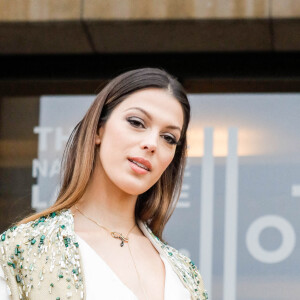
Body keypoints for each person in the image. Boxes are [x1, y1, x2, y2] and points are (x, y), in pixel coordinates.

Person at [0, 67, 208, 300]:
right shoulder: (23, 250)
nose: (152, 143)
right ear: (99, 128)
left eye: (168, 138)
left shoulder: (185, 275)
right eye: (137, 122)